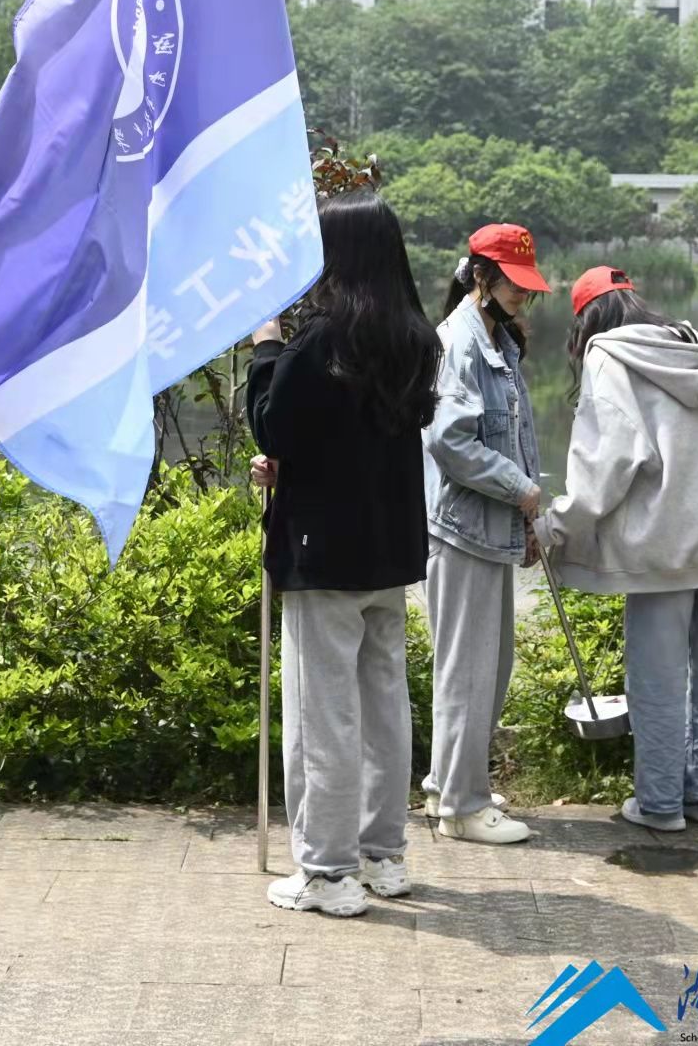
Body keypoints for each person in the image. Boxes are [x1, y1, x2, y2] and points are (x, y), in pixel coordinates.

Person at [246, 190, 441, 917]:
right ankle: (382, 855)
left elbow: (273, 423)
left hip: (323, 555)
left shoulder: (321, 340)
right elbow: (343, 438)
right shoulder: (413, 339)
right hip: (389, 552)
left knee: (322, 715)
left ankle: (328, 873)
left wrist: (266, 345)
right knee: (384, 708)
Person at [534, 267, 698, 832]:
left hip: (662, 544)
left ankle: (659, 805)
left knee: (657, 678)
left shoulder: (609, 357)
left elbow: (606, 462)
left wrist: (556, 525)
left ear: (586, 321)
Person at [421, 224, 551, 845]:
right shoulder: (460, 342)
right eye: (513, 283)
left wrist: (525, 517)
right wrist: (520, 490)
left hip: (489, 526)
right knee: (468, 671)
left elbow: (512, 436)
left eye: (527, 285)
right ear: (480, 276)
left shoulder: (496, 338)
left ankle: (447, 783)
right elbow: (450, 442)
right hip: (462, 531)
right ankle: (462, 808)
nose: (523, 294)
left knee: (486, 668)